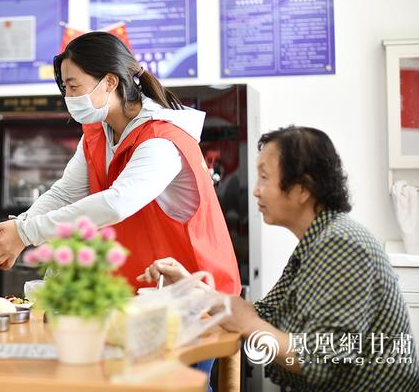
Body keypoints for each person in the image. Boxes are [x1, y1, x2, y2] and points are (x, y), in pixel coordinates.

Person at [139, 126, 419, 390]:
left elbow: (319, 359)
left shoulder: (342, 243)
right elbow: (265, 315)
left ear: (301, 188)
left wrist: (247, 324)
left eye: (264, 177)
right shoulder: (317, 241)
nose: (256, 190)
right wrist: (190, 287)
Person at [0, 32, 241, 296]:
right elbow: (65, 193)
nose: (68, 96)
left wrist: (26, 232)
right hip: (139, 295)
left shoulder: (163, 139)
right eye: (65, 88)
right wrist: (18, 228)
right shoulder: (98, 133)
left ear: (110, 82)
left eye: (74, 86)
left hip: (195, 297)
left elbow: (116, 203)